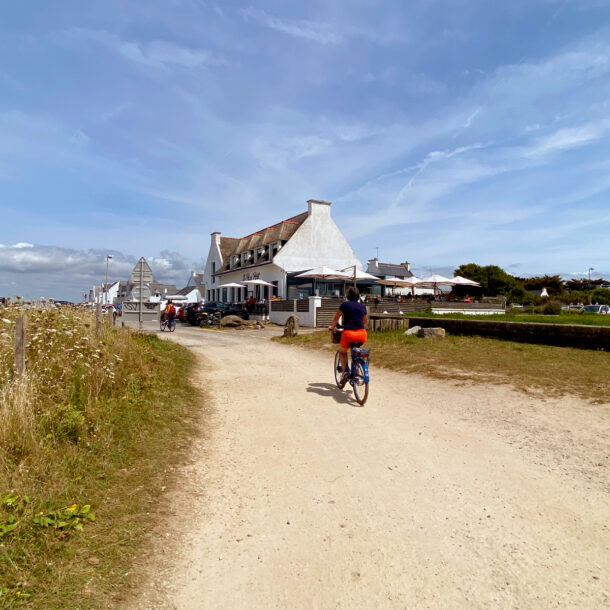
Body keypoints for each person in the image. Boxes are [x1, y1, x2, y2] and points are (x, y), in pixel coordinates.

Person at [328, 286, 368, 383]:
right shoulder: (362, 306)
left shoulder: (344, 305)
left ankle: (345, 372)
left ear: (347, 295)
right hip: (362, 334)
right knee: (354, 351)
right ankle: (356, 369)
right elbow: (365, 321)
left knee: (342, 352)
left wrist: (331, 327)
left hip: (349, 334)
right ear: (358, 295)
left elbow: (336, 318)